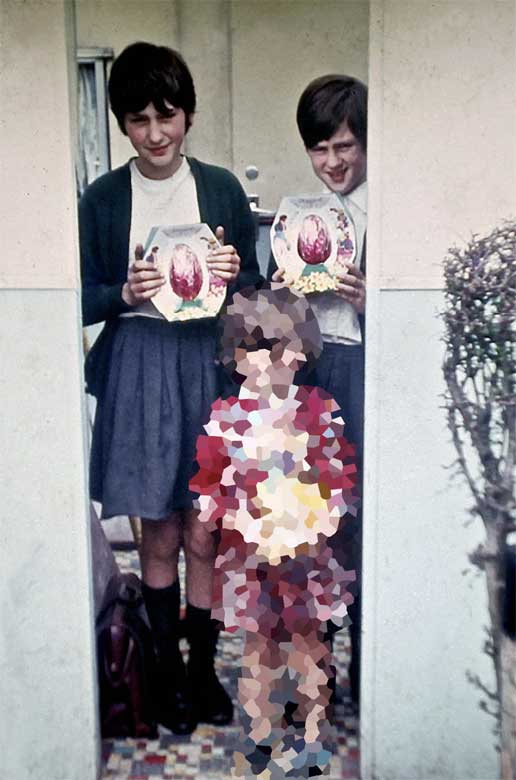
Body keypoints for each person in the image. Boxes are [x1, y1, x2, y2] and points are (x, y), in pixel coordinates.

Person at [80, 41, 261, 735]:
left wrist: (236, 269)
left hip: (207, 363)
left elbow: (249, 292)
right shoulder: (101, 199)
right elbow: (84, 298)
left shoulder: (218, 188)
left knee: (205, 534)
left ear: (187, 113)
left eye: (168, 115)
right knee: (157, 528)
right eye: (138, 119)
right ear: (122, 124)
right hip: (140, 363)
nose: (156, 134)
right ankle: (161, 677)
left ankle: (200, 673)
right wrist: (123, 290)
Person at [190, 285, 359, 777]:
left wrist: (326, 518)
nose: (268, 363)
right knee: (258, 652)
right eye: (255, 351)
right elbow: (209, 481)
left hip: (309, 555)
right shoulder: (226, 420)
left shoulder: (319, 412)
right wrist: (211, 520)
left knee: (310, 648)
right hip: (249, 557)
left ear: (302, 351)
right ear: (236, 357)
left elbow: (340, 477)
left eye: (281, 350)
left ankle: (311, 738)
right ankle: (262, 736)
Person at [268, 75, 367, 707]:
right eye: (319, 149)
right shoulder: (298, 216)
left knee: (360, 522)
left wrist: (370, 297)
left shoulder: (393, 212)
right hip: (313, 374)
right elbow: (273, 329)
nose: (332, 162)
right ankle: (320, 673)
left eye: (345, 146)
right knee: (313, 524)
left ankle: (368, 663)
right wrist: (282, 295)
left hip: (361, 371)